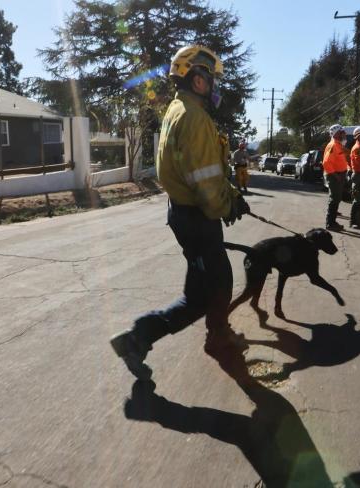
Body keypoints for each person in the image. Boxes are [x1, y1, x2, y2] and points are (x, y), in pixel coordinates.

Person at [110, 45, 250, 380]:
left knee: (215, 283)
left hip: (187, 213)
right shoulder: (195, 118)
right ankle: (138, 338)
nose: (216, 86)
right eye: (213, 79)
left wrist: (231, 196)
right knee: (204, 294)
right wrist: (226, 204)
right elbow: (204, 180)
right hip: (197, 217)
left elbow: (203, 170)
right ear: (199, 81)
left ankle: (217, 336)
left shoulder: (177, 109)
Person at [323, 124, 349, 231]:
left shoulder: (338, 145)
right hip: (335, 176)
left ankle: (332, 222)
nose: (344, 134)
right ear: (337, 133)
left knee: (337, 199)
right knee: (334, 199)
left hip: (339, 175)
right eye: (342, 132)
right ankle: (330, 223)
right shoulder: (333, 145)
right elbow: (326, 163)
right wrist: (336, 176)